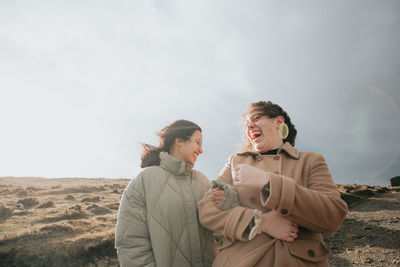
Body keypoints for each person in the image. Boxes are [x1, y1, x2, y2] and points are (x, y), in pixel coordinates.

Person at [199, 101, 348, 267]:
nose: (250, 126)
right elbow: (208, 210)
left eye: (256, 118)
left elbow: (333, 214)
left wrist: (267, 181)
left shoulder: (310, 161)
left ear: (278, 122)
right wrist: (259, 222)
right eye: (247, 124)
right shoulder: (235, 162)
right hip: (241, 260)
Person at [115, 120, 216, 267]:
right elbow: (130, 243)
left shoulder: (203, 181)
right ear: (179, 141)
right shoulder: (144, 180)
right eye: (198, 142)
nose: (201, 150)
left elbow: (220, 229)